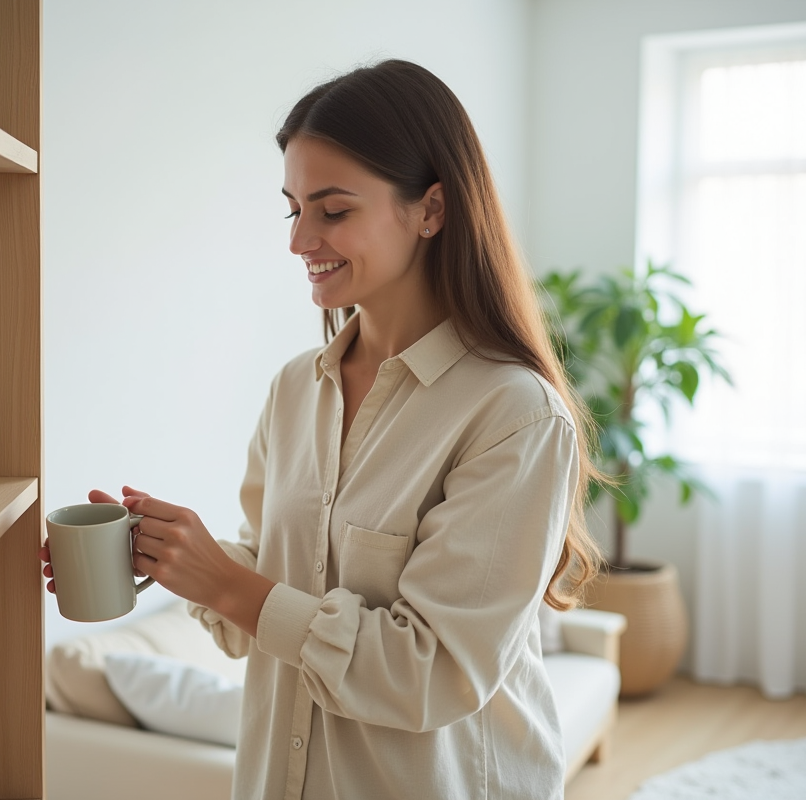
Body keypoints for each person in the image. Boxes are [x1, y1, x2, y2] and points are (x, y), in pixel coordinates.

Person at [40, 59, 603, 800]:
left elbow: (431, 674)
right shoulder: (294, 393)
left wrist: (230, 584)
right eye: (292, 209)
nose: (300, 240)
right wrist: (178, 558)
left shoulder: (514, 416)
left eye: (333, 211)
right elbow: (265, 599)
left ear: (431, 210)